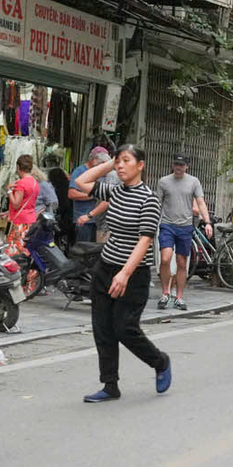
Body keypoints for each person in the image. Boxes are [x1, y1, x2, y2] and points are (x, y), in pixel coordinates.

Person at [69, 144, 171, 401]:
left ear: (141, 165)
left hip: (133, 274)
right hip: (105, 268)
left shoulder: (149, 199)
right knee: (102, 328)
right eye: (119, 162)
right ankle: (110, 385)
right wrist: (108, 163)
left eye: (127, 161)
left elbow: (145, 240)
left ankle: (159, 362)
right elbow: (81, 181)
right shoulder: (114, 191)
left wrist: (125, 274)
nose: (121, 166)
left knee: (124, 328)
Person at [156, 154, 210, 311]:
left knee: (181, 262)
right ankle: (165, 293)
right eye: (176, 164)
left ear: (187, 166)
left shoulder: (194, 181)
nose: (178, 167)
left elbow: (200, 202)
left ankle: (179, 297)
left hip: (185, 227)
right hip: (167, 225)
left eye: (181, 165)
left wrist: (207, 222)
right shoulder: (164, 181)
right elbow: (156, 203)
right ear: (172, 165)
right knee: (165, 259)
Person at [70, 144, 113, 242]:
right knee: (83, 250)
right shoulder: (80, 171)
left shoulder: (107, 174)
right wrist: (94, 195)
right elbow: (72, 194)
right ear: (94, 160)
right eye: (103, 164)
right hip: (84, 219)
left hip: (100, 222)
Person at [6, 155, 39, 257]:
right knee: (26, 249)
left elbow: (16, 204)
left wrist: (9, 191)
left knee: (15, 252)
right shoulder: (34, 182)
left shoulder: (21, 183)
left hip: (20, 222)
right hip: (31, 220)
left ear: (18, 167)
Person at [47, 166, 74, 244]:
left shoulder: (56, 191)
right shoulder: (68, 187)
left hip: (62, 219)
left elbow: (61, 206)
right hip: (69, 218)